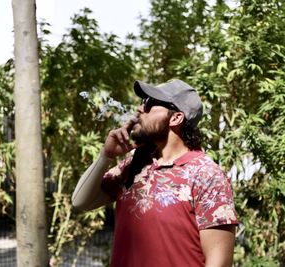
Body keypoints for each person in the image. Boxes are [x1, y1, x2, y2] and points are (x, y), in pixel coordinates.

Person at [72, 79, 238, 266]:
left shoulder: (207, 175)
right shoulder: (136, 162)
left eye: (150, 104)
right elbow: (80, 201)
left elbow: (219, 263)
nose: (140, 109)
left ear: (176, 118)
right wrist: (105, 156)